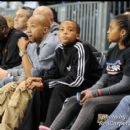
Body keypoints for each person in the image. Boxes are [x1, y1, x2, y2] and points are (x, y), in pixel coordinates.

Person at [39, 14, 130, 130]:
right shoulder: (112, 51)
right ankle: (51, 128)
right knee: (74, 100)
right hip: (107, 92)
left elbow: (125, 84)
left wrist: (96, 93)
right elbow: (104, 78)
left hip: (122, 95)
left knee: (90, 103)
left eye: (111, 28)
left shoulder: (128, 53)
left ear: (122, 32)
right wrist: (90, 91)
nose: (108, 31)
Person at [17, 20, 101, 130]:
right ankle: (28, 127)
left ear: (78, 35)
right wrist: (40, 80)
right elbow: (53, 73)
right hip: (68, 83)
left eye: (69, 30)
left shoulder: (81, 47)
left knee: (58, 89)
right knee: (38, 90)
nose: (65, 32)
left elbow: (78, 79)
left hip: (86, 86)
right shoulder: (59, 49)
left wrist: (45, 84)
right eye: (61, 30)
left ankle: (50, 126)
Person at [0, 14, 60, 130]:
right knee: (8, 87)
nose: (28, 31)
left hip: (47, 85)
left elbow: (32, 75)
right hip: (33, 80)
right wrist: (13, 80)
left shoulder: (50, 44)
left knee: (20, 89)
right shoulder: (32, 44)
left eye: (32, 26)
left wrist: (23, 51)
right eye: (27, 26)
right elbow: (26, 70)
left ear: (45, 30)